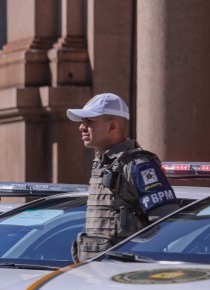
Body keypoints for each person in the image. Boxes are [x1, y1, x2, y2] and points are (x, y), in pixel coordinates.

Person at [67, 93, 178, 262]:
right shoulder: (102, 163)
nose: (81, 127)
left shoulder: (139, 165)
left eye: (89, 121)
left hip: (124, 274)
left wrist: (134, 256)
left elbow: (166, 223)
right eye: (82, 121)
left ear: (112, 126)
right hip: (97, 272)